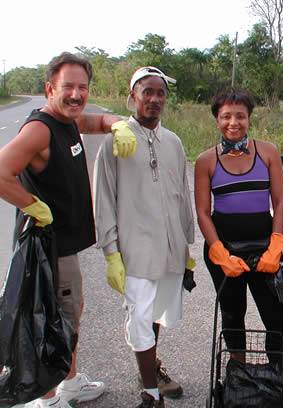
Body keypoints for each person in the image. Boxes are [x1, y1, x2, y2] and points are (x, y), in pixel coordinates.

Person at [0, 52, 137, 408]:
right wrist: (33, 206)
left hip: (63, 246)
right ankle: (48, 398)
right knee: (57, 321)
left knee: (69, 313)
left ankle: (68, 383)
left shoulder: (66, 120)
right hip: (48, 248)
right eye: (68, 87)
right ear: (50, 88)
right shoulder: (40, 129)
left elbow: (95, 121)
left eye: (83, 87)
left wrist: (118, 123)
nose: (76, 95)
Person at [93, 66, 195, 408]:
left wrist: (187, 242)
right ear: (132, 97)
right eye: (146, 92)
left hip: (169, 247)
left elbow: (183, 192)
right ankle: (150, 393)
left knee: (156, 314)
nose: (154, 99)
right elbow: (104, 198)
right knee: (138, 316)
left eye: (160, 93)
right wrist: (110, 251)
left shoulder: (174, 142)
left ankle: (150, 369)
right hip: (134, 249)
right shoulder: (115, 141)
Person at [194, 89, 283, 364]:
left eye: (240, 116)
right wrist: (218, 251)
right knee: (233, 314)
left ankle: (277, 382)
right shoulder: (206, 160)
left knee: (276, 316)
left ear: (249, 119)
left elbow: (280, 202)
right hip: (225, 247)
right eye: (226, 116)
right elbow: (202, 212)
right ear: (217, 120)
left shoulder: (268, 152)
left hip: (265, 247)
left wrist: (276, 245)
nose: (233, 122)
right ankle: (238, 378)